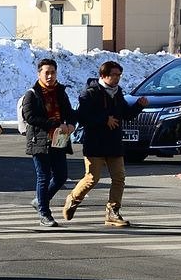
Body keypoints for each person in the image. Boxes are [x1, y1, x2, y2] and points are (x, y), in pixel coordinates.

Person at [63, 60, 149, 227]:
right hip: (95, 144)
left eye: (119, 75)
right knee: (92, 178)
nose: (117, 78)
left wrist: (139, 106)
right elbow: (82, 117)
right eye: (114, 75)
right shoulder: (90, 93)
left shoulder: (117, 93)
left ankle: (113, 212)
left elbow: (125, 114)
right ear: (103, 76)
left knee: (119, 178)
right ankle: (73, 199)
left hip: (114, 143)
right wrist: (104, 119)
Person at [20, 57, 77, 227]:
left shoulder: (60, 91)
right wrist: (53, 123)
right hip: (39, 140)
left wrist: (71, 124)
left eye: (53, 72)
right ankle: (45, 213)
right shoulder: (32, 93)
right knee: (43, 176)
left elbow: (69, 111)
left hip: (58, 140)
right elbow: (29, 117)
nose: (50, 76)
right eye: (47, 73)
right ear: (39, 74)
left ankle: (40, 200)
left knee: (61, 176)